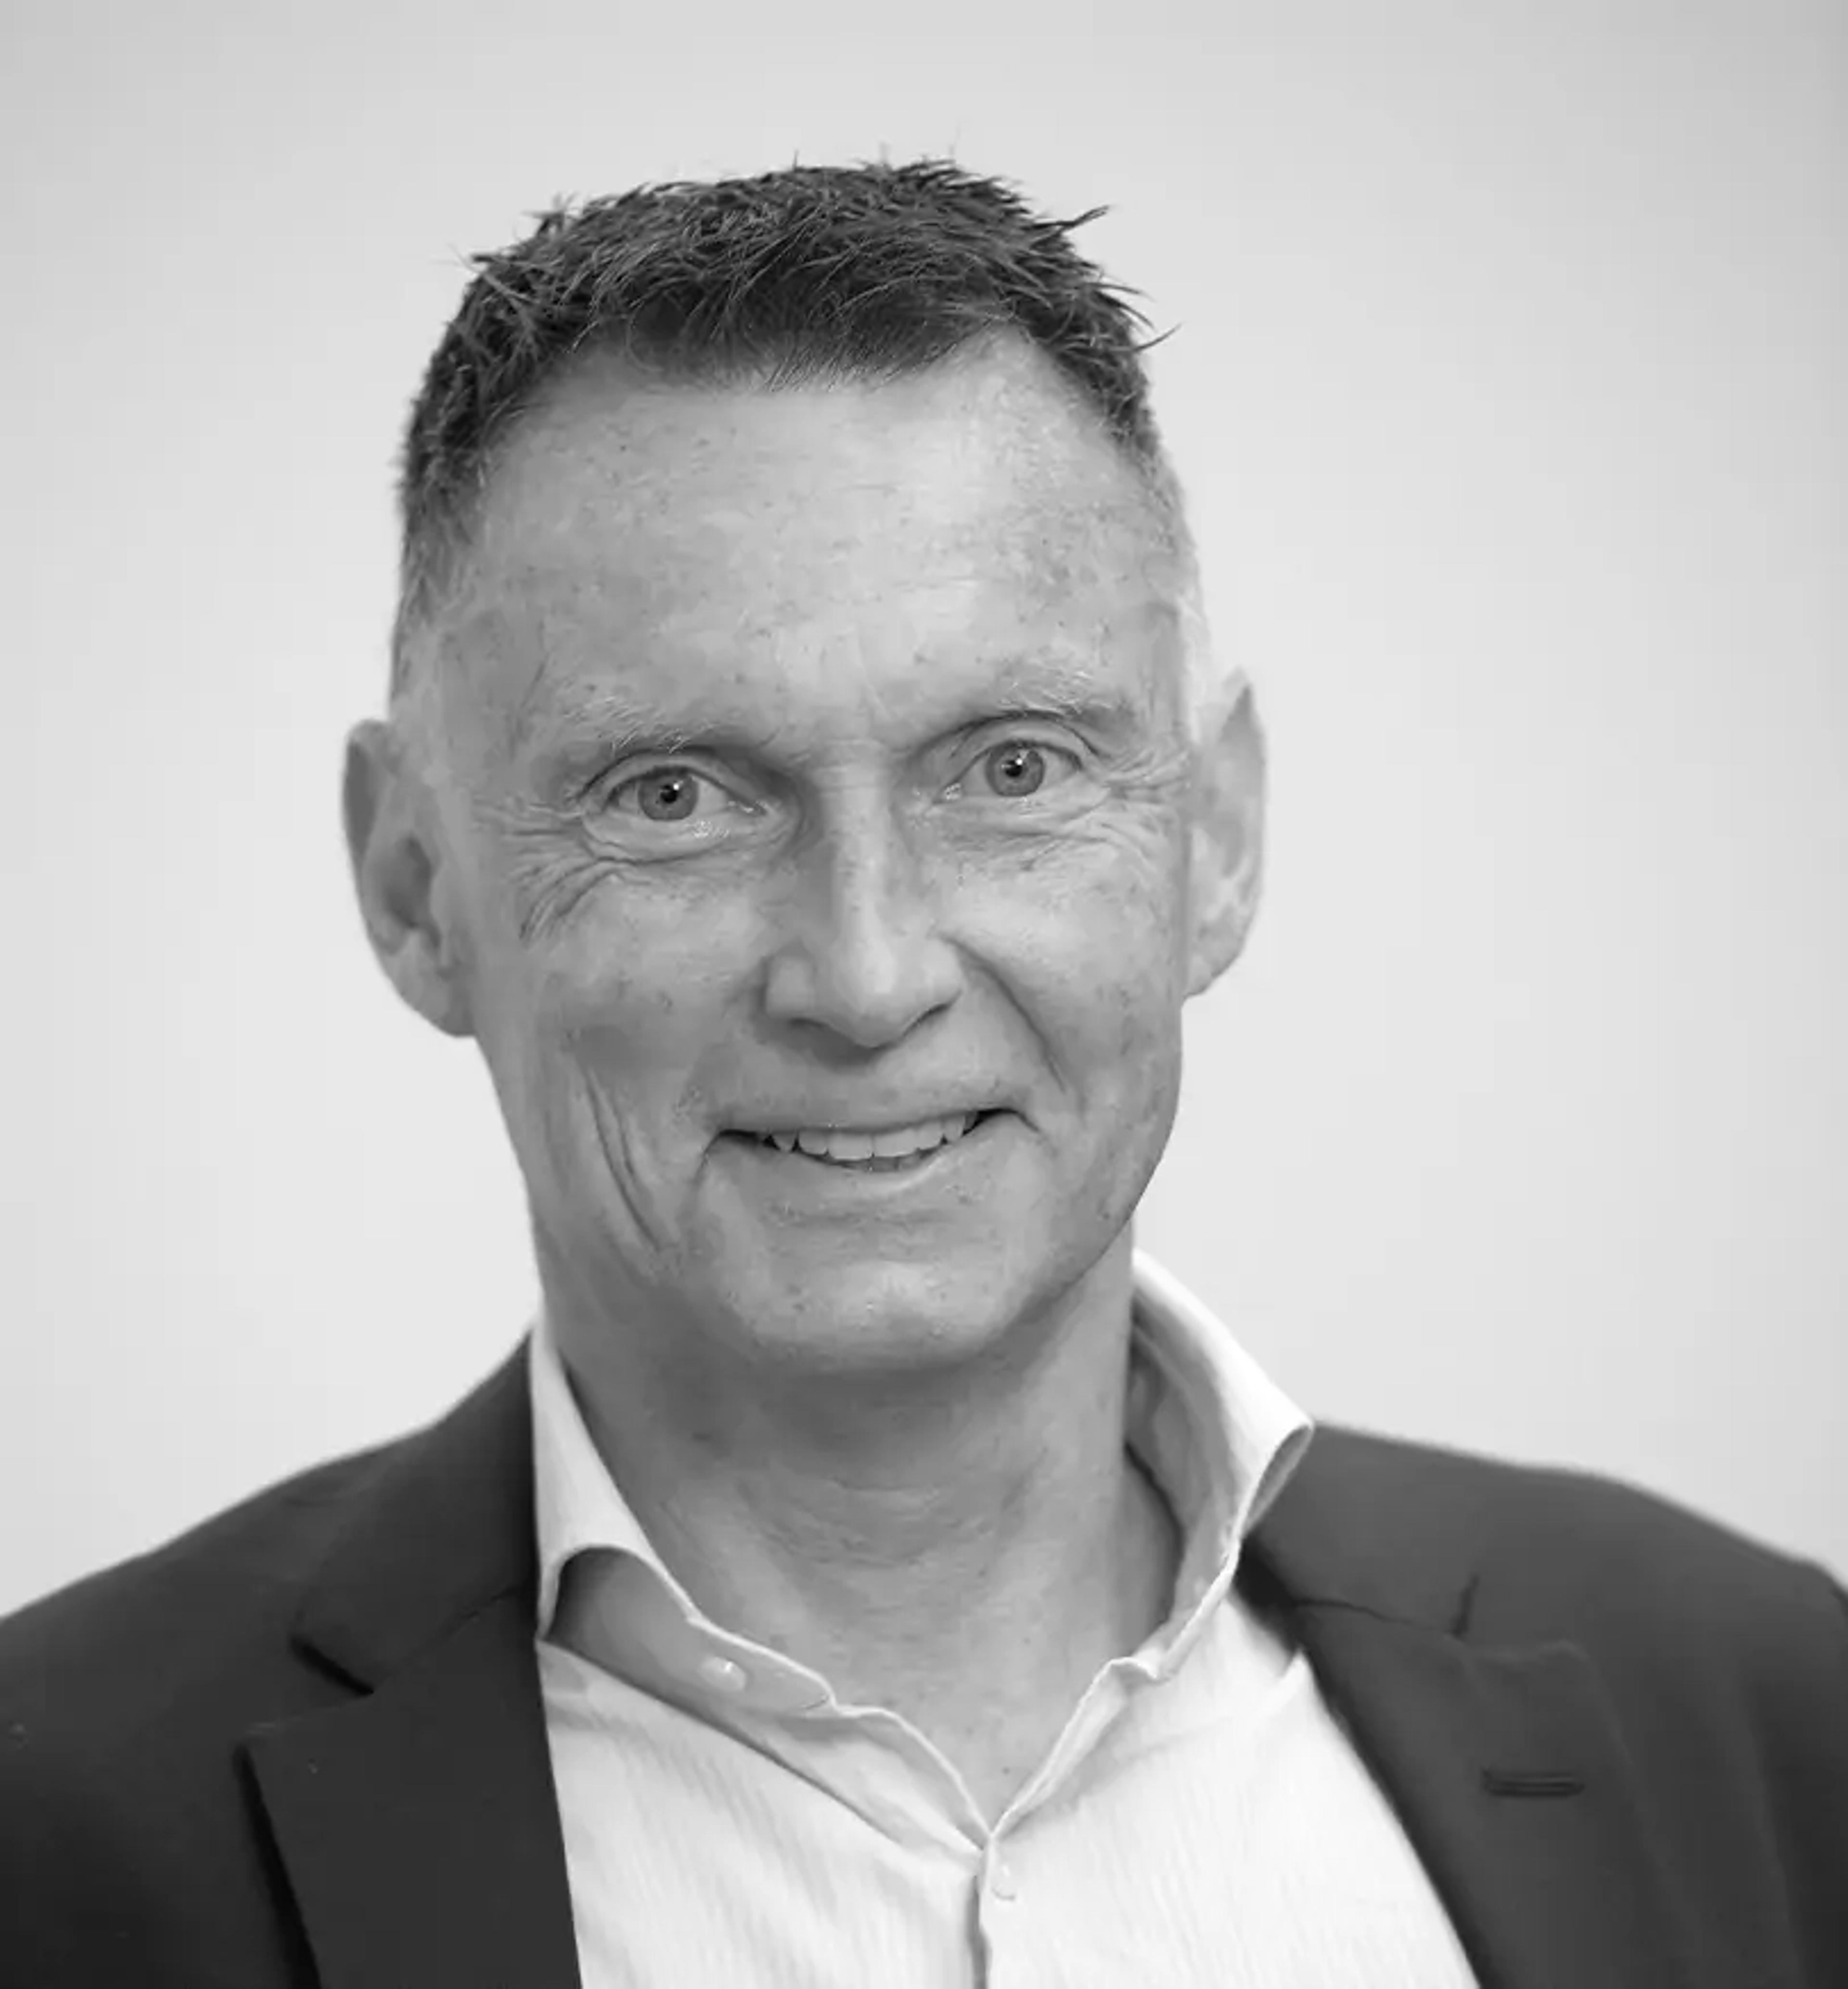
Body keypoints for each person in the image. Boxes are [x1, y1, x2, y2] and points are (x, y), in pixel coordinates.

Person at [0, 157, 1842, 1989]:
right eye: (674, 796)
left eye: (1014, 768)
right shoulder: (56, 1839)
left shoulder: (1761, 1714)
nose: (870, 977)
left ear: (1215, 840)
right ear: (414, 890)